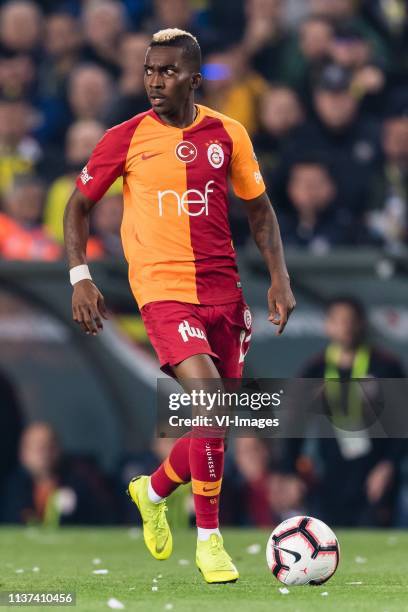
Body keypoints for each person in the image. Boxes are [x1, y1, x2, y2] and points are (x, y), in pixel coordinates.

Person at [63, 28, 295, 584]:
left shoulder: (228, 133)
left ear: (194, 78)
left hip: (224, 293)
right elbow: (77, 206)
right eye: (148, 70)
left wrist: (280, 280)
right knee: (211, 401)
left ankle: (155, 489)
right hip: (162, 292)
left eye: (166, 72)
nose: (153, 81)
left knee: (217, 423)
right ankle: (210, 540)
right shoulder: (124, 137)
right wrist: (80, 277)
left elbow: (259, 211)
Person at [280, 297, 406, 526]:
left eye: (350, 320)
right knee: (330, 538)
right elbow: (294, 424)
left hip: (375, 472)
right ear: (327, 325)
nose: (345, 326)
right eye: (338, 320)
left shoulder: (385, 366)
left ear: (361, 323)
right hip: (330, 474)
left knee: (376, 542)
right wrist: (289, 472)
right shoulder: (314, 369)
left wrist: (389, 464)